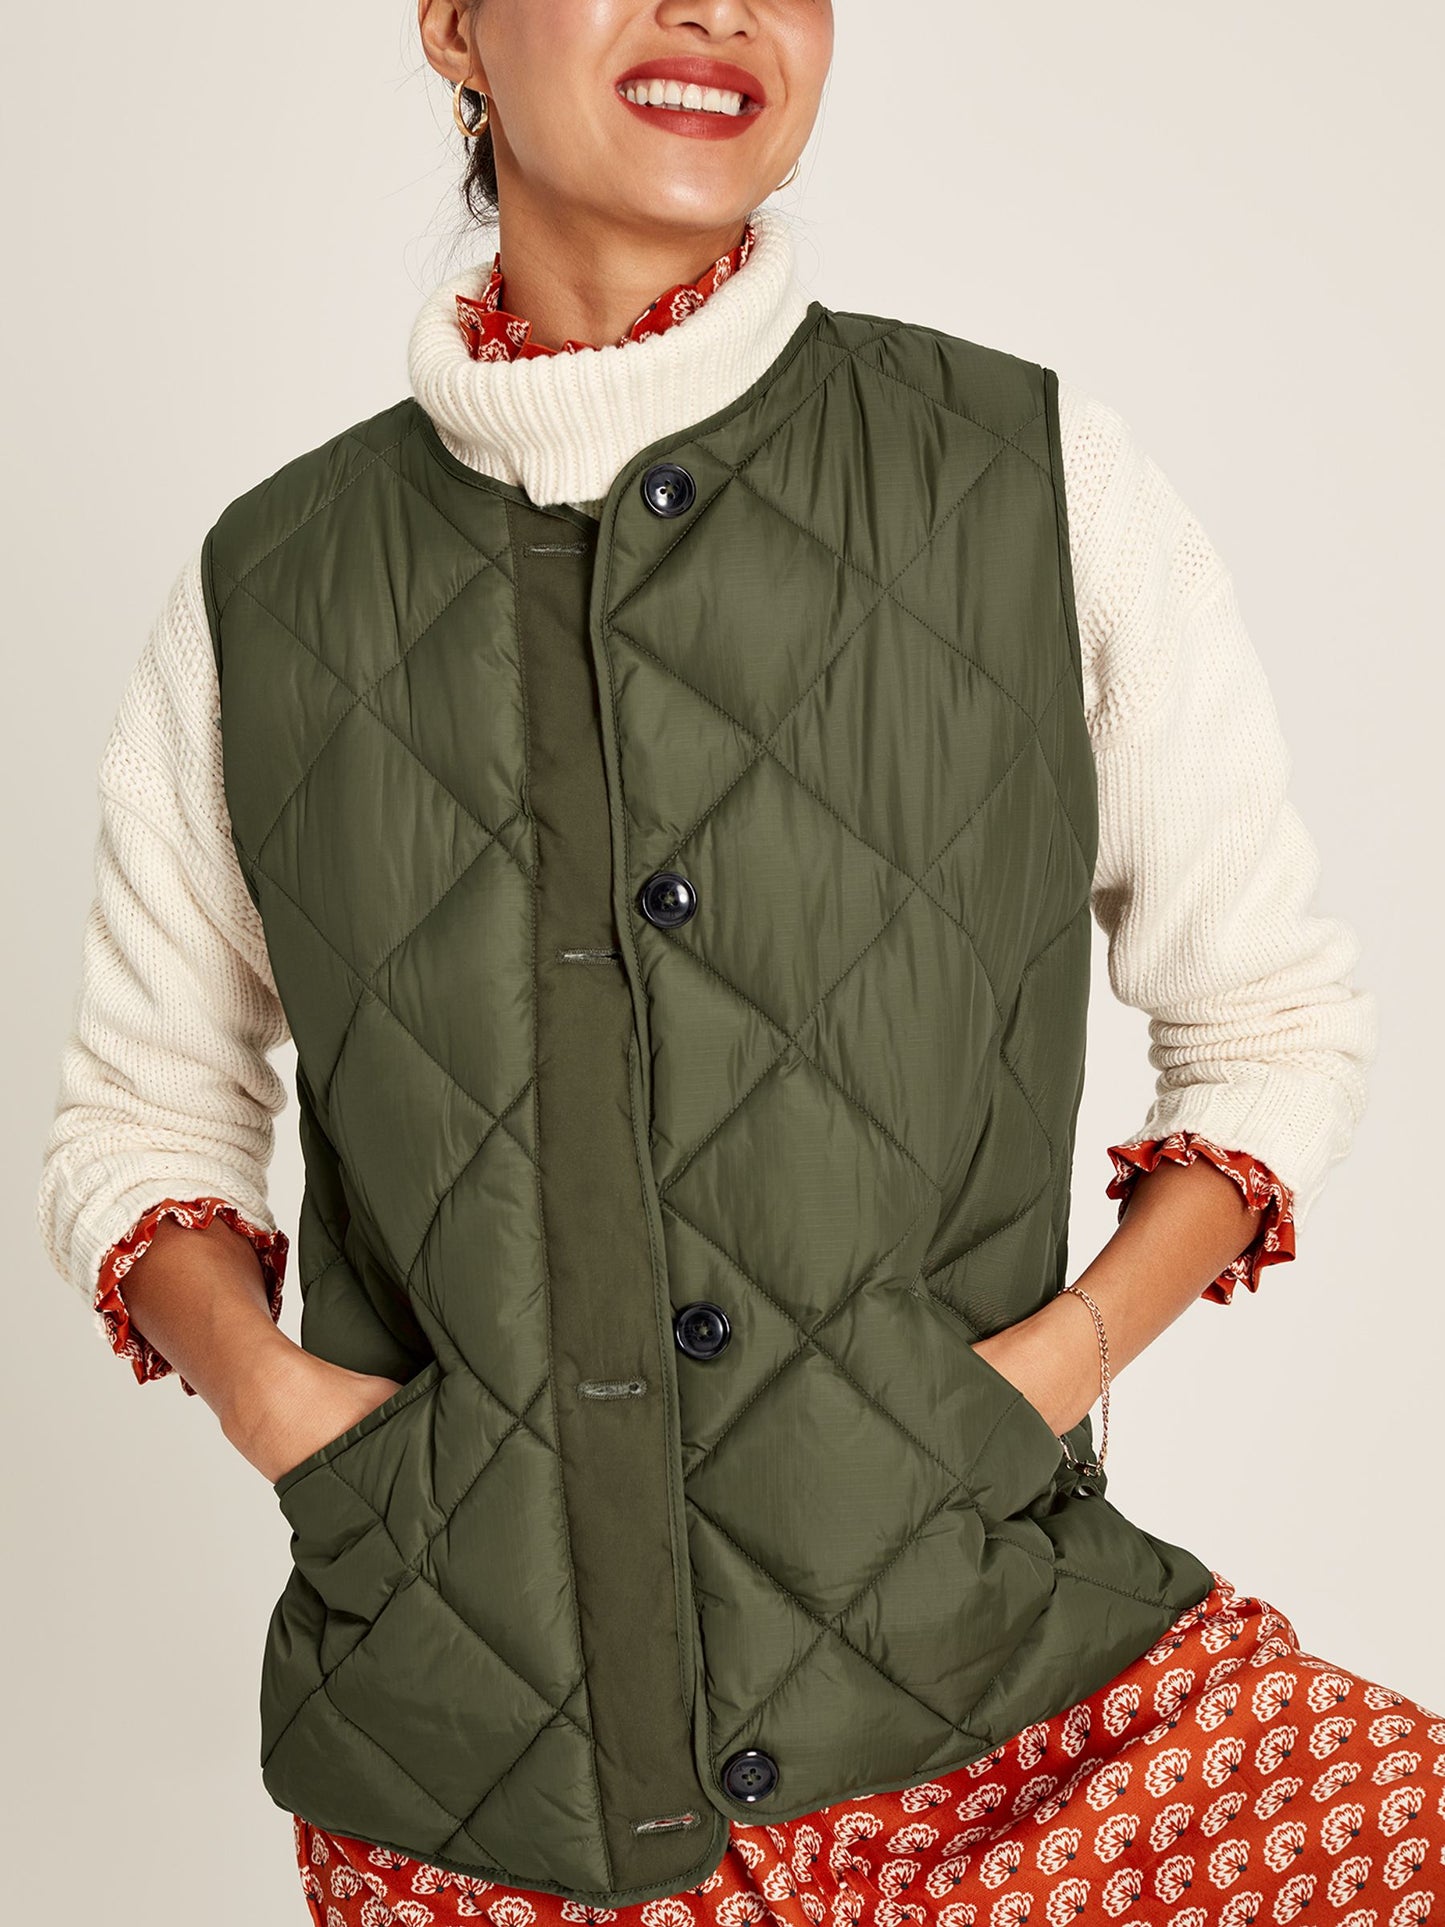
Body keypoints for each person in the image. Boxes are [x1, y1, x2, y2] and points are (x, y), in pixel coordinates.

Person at [37, 2, 1437, 1923]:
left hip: (1009, 1703)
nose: (720, 9)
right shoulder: (268, 585)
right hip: (484, 1804)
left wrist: (1046, 1373)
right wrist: (291, 1415)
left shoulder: (1026, 481)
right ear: (453, 27)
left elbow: (1266, 1023)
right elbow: (141, 1118)